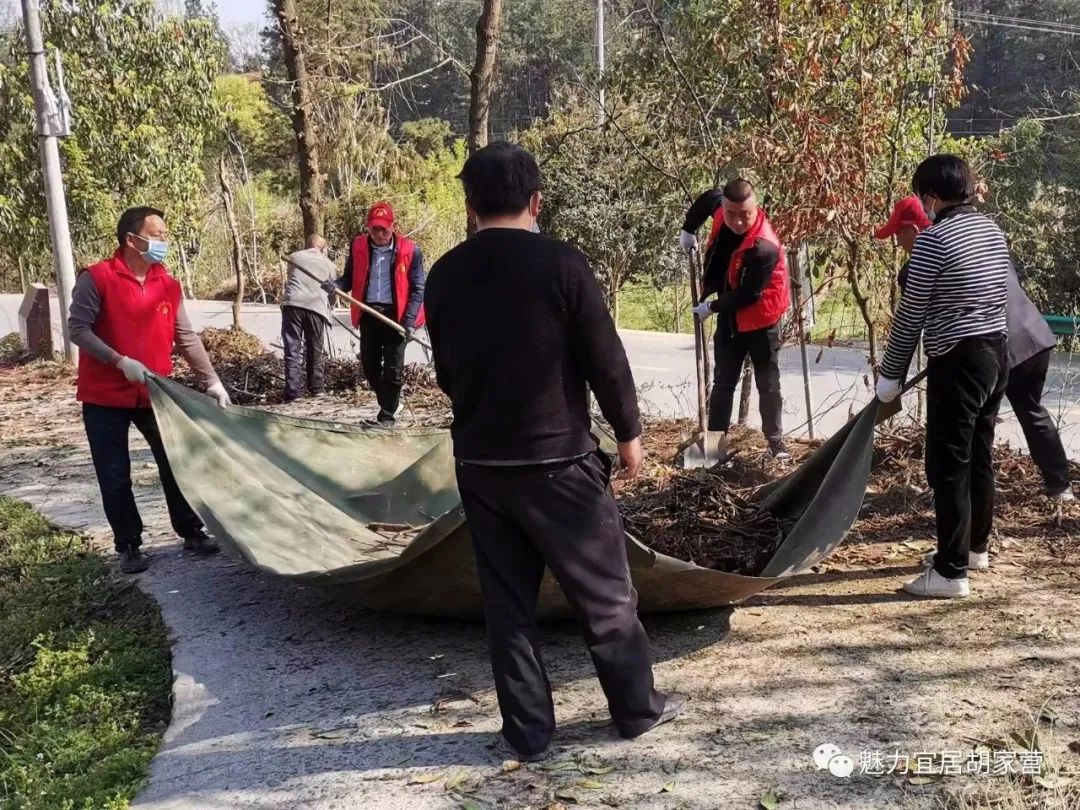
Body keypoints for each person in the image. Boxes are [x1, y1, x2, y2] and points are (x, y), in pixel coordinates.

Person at [425, 142, 683, 762]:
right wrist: (628, 434)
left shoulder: (444, 274)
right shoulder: (562, 265)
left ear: (470, 205)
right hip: (559, 465)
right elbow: (604, 357)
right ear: (536, 201)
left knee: (508, 605)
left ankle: (528, 733)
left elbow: (446, 372)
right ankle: (636, 710)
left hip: (482, 465)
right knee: (605, 595)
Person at [877, 197, 1075, 503]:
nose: (897, 242)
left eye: (897, 234)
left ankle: (955, 494)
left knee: (965, 424)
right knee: (1029, 411)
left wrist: (893, 376)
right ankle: (1060, 485)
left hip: (991, 346)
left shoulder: (922, 263)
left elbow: (914, 321)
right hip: (1032, 335)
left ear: (914, 231)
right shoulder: (983, 238)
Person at [876, 156, 1011, 599]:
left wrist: (890, 375)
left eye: (922, 197)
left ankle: (950, 573)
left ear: (931, 197)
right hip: (996, 352)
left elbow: (910, 315)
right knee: (979, 454)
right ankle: (974, 549)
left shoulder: (934, 241)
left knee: (948, 464)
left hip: (958, 358)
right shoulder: (991, 230)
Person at [68, 206, 230, 574]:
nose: (164, 242)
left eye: (164, 236)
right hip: (104, 396)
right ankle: (128, 544)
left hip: (155, 391)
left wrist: (211, 380)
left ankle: (190, 530)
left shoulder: (167, 284)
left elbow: (185, 336)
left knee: (176, 462)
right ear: (132, 239)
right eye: (157, 236)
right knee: (114, 473)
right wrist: (118, 361)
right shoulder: (97, 278)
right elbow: (78, 329)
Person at [679, 179, 791, 460]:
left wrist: (711, 307)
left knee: (767, 383)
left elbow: (749, 294)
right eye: (731, 214)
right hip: (731, 317)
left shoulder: (764, 247)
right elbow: (709, 198)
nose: (738, 222)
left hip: (761, 320)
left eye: (745, 215)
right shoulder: (721, 210)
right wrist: (688, 229)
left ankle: (776, 444)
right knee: (723, 382)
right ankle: (711, 451)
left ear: (756, 208)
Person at [336, 201, 425, 425]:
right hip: (369, 314)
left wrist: (409, 321)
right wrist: (335, 285)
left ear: (393, 226)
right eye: (374, 229)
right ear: (368, 228)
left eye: (384, 229)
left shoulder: (410, 250)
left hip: (396, 316)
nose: (379, 234)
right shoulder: (358, 246)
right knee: (369, 364)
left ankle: (387, 416)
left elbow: (418, 288)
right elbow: (348, 279)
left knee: (393, 370)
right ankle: (392, 403)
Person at [281, 234, 338, 402]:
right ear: (324, 249)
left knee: (292, 349)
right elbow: (333, 292)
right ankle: (317, 389)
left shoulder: (294, 257)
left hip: (293, 304)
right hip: (316, 307)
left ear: (307, 245)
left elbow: (291, 278)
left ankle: (293, 392)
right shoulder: (330, 265)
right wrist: (330, 306)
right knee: (315, 348)